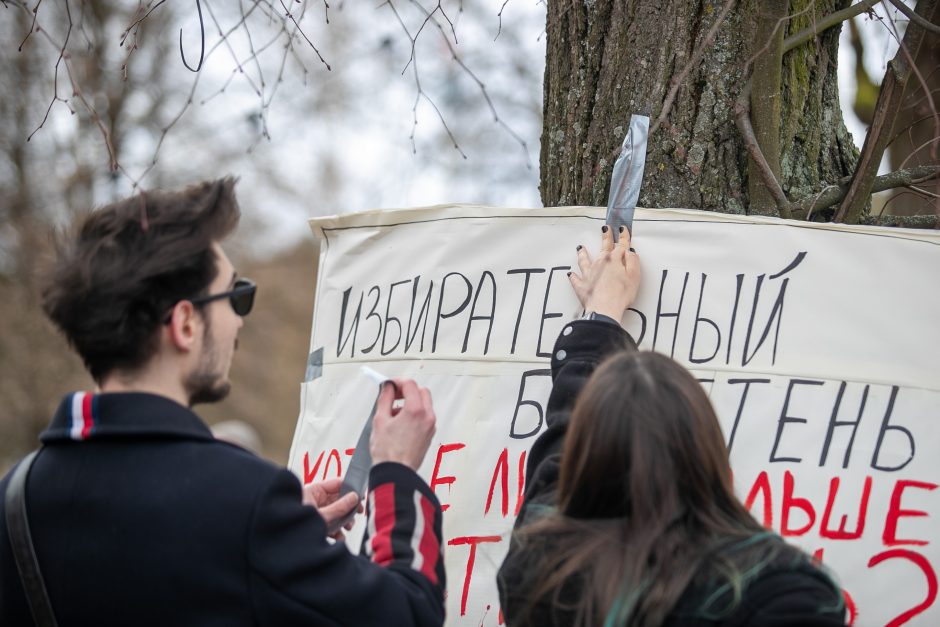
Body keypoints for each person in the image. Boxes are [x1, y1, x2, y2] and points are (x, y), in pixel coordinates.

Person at [0, 178, 445, 626]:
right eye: (236, 296)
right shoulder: (243, 501)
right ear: (185, 324)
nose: (238, 323)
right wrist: (397, 476)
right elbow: (407, 614)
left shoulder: (15, 497)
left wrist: (285, 530)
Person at [497, 225, 846, 627]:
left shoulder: (540, 573)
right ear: (707, 453)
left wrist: (600, 315)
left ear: (585, 456)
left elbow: (557, 463)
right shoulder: (780, 593)